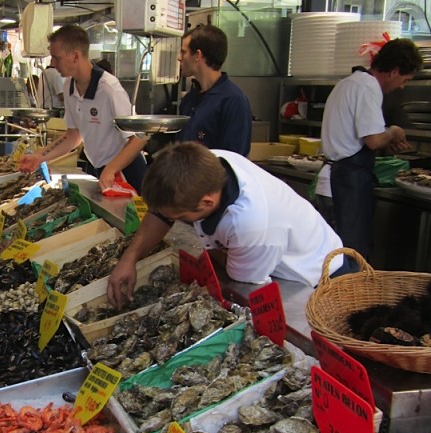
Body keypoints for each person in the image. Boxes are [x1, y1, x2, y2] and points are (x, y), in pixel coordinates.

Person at [107, 142, 344, 307]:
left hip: (316, 277)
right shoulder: (204, 165)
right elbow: (161, 214)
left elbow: (241, 280)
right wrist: (130, 258)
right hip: (266, 253)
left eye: (179, 217)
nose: (172, 221)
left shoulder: (250, 224)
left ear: (206, 202)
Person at [321, 38, 422, 259]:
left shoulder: (348, 83)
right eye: (405, 80)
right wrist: (393, 132)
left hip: (334, 175)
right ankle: (351, 294)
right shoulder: (368, 87)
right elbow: (373, 141)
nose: (402, 86)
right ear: (394, 71)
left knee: (334, 253)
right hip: (349, 180)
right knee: (354, 253)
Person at [19, 24, 146, 191]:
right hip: (99, 168)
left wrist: (112, 169)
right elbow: (73, 135)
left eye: (57, 58)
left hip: (126, 171)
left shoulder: (108, 89)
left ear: (75, 56)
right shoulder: (69, 86)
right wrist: (39, 156)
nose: (53, 63)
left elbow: (139, 138)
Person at [175, 25, 253, 155]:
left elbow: (233, 161)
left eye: (184, 52)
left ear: (198, 55)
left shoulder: (233, 101)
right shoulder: (190, 100)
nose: (179, 57)